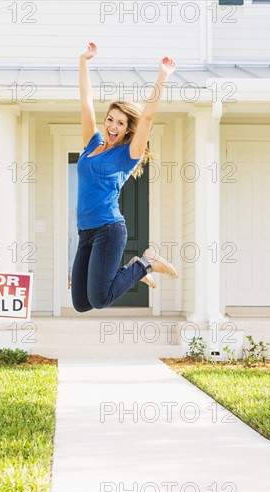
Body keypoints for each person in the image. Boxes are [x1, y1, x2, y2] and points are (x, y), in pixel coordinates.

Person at [71, 42, 178, 313]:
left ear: (127, 127)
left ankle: (146, 264)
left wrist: (161, 77)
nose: (112, 126)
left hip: (109, 230)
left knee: (100, 299)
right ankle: (135, 269)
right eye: (110, 119)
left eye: (120, 122)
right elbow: (85, 102)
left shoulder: (128, 154)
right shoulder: (92, 143)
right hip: (85, 232)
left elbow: (149, 118)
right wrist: (84, 62)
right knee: (81, 303)